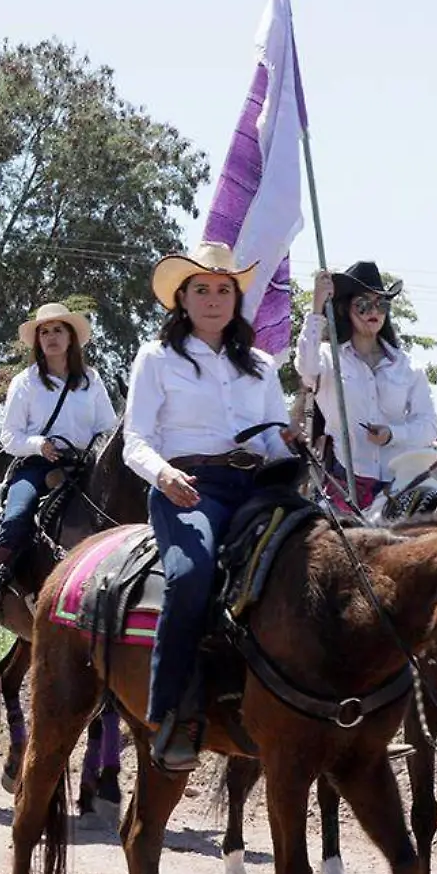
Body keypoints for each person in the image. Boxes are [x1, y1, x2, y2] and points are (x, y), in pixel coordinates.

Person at [124, 242, 296, 773]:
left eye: (224, 289)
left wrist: (295, 448)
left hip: (258, 486)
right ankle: (171, 711)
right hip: (189, 486)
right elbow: (135, 439)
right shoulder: (156, 359)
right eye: (202, 289)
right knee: (192, 572)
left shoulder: (263, 366)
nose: (214, 299)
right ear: (182, 298)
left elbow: (275, 441)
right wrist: (165, 474)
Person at [0, 300, 117, 626]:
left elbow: (107, 426)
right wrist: (38, 445)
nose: (50, 336)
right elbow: (9, 436)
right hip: (36, 466)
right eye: (44, 332)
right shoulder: (25, 381)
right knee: (17, 513)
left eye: (57, 330)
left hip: (83, 467)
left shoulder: (91, 379)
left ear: (70, 338)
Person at [294, 260, 437, 511]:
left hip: (401, 487)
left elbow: (429, 425)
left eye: (381, 304)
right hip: (344, 487)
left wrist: (393, 434)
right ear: (345, 309)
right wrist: (317, 309)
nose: (374, 311)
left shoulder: (408, 366)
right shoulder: (328, 359)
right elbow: (306, 368)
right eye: (363, 304)